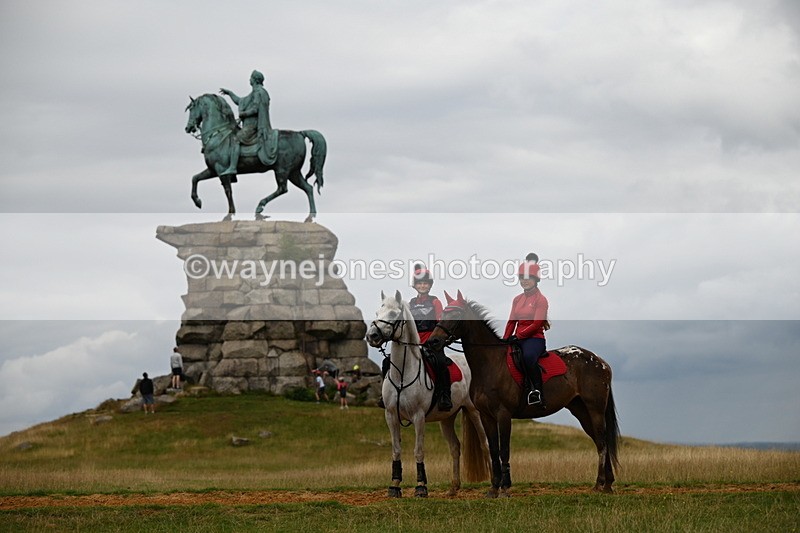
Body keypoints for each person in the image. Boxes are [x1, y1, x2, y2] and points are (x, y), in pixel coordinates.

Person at [503, 253, 550, 406]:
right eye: (522, 278)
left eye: (528, 278)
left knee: (528, 357)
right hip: (518, 337)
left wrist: (519, 335)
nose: (525, 281)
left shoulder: (541, 299)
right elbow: (511, 322)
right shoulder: (517, 299)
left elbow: (537, 324)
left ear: (536, 280)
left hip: (534, 339)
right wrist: (504, 340)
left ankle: (537, 392)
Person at [219, 69, 278, 175]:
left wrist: (244, 114)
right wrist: (230, 93)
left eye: (250, 77)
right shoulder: (254, 93)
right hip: (249, 125)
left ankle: (233, 167)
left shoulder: (259, 92)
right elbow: (240, 101)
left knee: (235, 139)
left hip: (253, 126)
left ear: (255, 80)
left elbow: (256, 109)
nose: (249, 79)